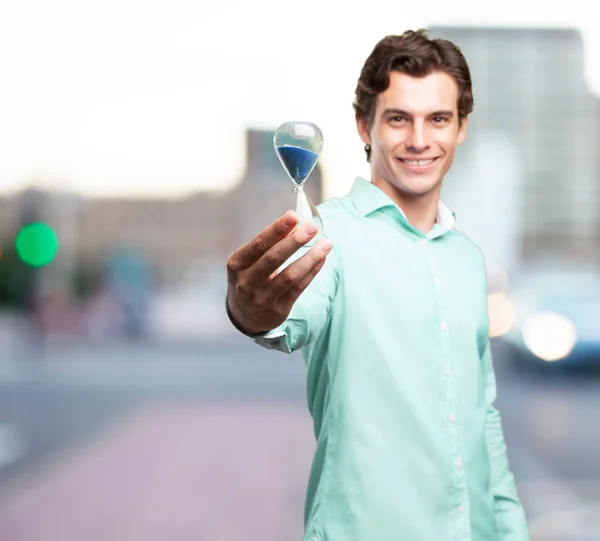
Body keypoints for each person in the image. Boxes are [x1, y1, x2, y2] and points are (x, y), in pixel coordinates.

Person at [225, 29, 530, 541]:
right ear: (364, 126)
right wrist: (250, 310)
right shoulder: (327, 238)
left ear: (461, 129)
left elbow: (482, 416)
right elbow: (285, 320)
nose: (419, 138)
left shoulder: (468, 260)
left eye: (437, 118)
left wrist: (510, 528)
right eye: (398, 118)